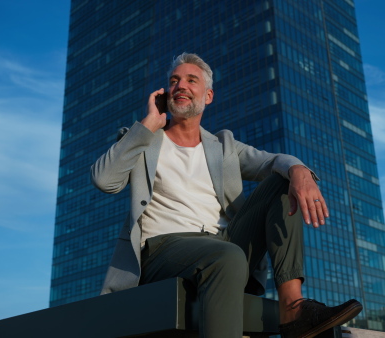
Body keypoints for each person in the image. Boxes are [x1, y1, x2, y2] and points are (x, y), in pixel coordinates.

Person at [91, 52, 362, 338]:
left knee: (281, 182)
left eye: (191, 80)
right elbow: (104, 180)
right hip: (163, 249)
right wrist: (147, 124)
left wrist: (298, 170)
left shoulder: (223, 146)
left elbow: (271, 161)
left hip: (223, 244)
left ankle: (293, 309)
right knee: (226, 255)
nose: (180, 85)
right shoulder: (143, 140)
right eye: (174, 81)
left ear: (208, 96)